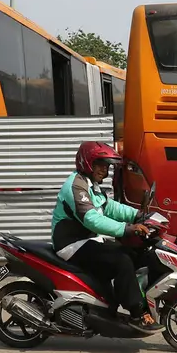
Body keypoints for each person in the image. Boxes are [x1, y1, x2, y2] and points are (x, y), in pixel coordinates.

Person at [50, 141, 162, 332]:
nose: (105, 170)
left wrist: (138, 215)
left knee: (134, 255)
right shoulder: (76, 186)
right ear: (87, 163)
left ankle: (115, 301)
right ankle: (137, 314)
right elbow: (91, 219)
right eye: (101, 164)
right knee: (122, 261)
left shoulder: (90, 184)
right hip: (72, 244)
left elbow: (109, 207)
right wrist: (128, 228)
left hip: (87, 240)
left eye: (107, 166)